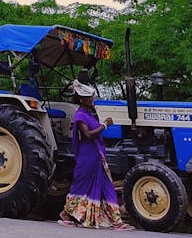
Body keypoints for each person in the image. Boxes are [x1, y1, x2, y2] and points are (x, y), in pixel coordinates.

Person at [58, 81, 136, 230]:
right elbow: (88, 135)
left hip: (97, 155)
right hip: (87, 157)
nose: (91, 99)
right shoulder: (80, 116)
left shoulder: (90, 113)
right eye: (89, 97)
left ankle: (116, 220)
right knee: (80, 186)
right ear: (81, 99)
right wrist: (104, 125)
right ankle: (66, 213)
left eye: (91, 97)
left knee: (106, 186)